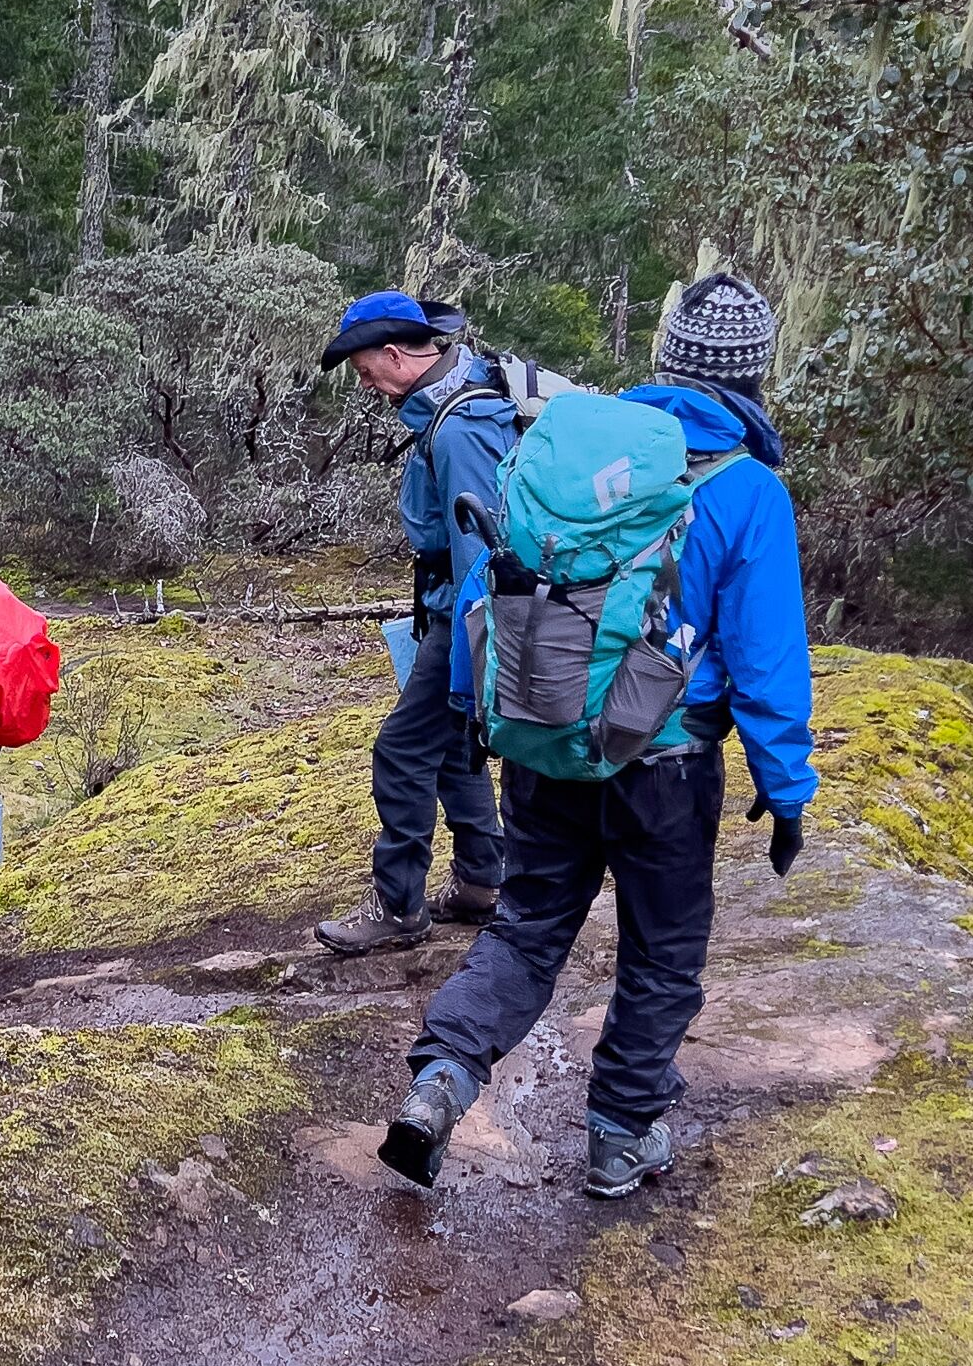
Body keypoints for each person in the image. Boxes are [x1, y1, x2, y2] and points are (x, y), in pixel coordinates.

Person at [382, 271, 818, 1200]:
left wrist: (472, 712)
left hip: (541, 740)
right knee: (661, 952)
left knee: (528, 926)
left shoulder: (567, 451)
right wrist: (785, 795)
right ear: (754, 376)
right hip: (666, 765)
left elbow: (485, 586)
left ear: (665, 360)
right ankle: (621, 1135)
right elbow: (768, 660)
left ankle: (440, 1080)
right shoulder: (747, 491)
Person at [311, 290, 515, 956]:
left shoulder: (458, 428)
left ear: (396, 356)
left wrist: (468, 656)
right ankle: (484, 882)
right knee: (454, 751)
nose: (367, 385)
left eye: (367, 371)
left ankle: (398, 907)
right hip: (447, 610)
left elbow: (480, 554)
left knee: (402, 751)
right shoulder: (465, 397)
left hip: (465, 617)